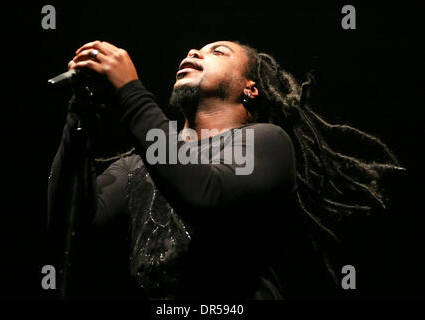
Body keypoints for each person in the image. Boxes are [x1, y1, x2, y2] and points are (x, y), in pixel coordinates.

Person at [47, 40, 404, 300]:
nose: (192, 53)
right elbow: (72, 222)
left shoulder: (266, 142)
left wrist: (131, 94)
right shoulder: (137, 163)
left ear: (251, 89)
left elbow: (206, 193)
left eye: (218, 51)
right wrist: (80, 121)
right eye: (194, 50)